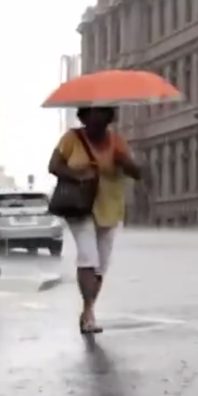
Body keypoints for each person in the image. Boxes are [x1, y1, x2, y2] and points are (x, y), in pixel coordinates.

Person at [48, 106, 147, 334]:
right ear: (84, 117)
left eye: (103, 115)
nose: (97, 119)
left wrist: (127, 162)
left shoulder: (117, 142)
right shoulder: (72, 139)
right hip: (80, 206)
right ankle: (90, 314)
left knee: (100, 265)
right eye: (92, 115)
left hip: (110, 207)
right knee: (87, 257)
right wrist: (77, 174)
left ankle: (87, 309)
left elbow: (136, 173)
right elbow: (54, 165)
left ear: (109, 118)